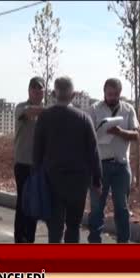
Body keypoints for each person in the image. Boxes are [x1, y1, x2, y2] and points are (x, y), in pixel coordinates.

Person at [33, 76, 102, 243]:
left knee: (55, 228)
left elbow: (37, 152)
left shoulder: (44, 117)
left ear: (54, 94)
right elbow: (93, 151)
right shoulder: (84, 118)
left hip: (52, 181)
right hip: (78, 183)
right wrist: (97, 181)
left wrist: (36, 178)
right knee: (73, 226)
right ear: (73, 95)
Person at [87, 78, 140, 243]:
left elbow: (136, 135)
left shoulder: (128, 109)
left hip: (121, 166)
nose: (112, 97)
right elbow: (87, 136)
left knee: (122, 209)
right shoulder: (94, 109)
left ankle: (123, 245)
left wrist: (120, 132)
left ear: (120, 93)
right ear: (104, 92)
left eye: (116, 94)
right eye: (110, 94)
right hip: (100, 166)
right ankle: (95, 243)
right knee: (96, 208)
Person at [13, 76, 46, 243]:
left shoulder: (46, 113)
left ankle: (29, 241)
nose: (37, 91)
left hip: (39, 166)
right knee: (23, 203)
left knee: (34, 204)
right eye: (34, 88)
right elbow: (30, 112)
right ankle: (20, 240)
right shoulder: (21, 108)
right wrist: (57, 107)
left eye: (40, 88)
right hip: (23, 164)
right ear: (29, 90)